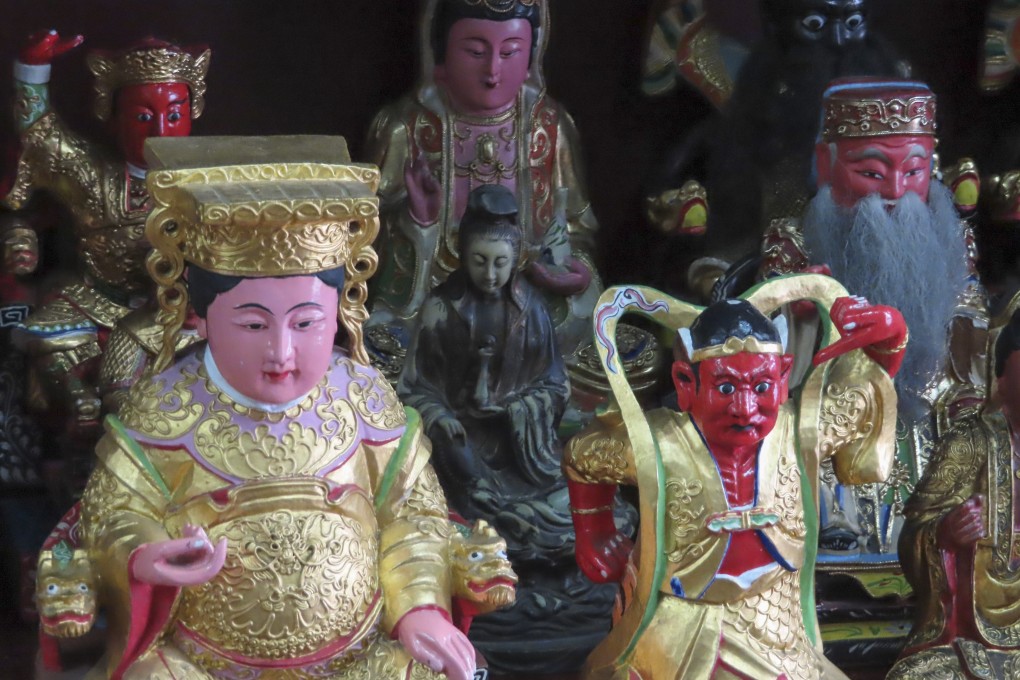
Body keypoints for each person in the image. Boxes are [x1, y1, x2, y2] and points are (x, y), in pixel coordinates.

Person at [68, 136, 475, 680]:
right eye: (253, 324)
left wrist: (420, 609)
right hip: (201, 661)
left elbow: (415, 516)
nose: (281, 353)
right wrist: (144, 554)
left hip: (359, 656)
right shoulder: (163, 407)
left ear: (341, 310)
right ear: (201, 317)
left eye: (306, 323)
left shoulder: (364, 398)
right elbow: (109, 516)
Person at [565, 278, 906, 679]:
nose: (745, 408)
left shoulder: (802, 434)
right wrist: (595, 529)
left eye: (760, 386)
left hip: (777, 621)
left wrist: (891, 338)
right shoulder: (658, 445)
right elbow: (582, 455)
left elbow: (863, 396)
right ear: (685, 384)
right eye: (726, 387)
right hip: (683, 625)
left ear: (782, 379)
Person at [365, 0, 600, 373]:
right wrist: (417, 222)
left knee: (610, 355)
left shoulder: (550, 126)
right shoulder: (404, 129)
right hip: (433, 305)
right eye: (475, 51)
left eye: (510, 52)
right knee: (382, 356)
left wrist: (575, 271)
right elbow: (362, 242)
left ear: (531, 58)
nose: (492, 71)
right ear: (440, 55)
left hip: (530, 310)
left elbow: (576, 226)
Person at [4, 31, 210, 450]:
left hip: (171, 312)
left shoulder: (210, 183)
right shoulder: (91, 173)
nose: (159, 130)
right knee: (45, 332)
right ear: (112, 116)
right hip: (97, 300)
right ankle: (78, 403)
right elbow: (40, 133)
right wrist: (32, 68)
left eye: (174, 115)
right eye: (141, 116)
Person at [887, 302, 1020, 678]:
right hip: (973, 633)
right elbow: (915, 533)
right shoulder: (970, 441)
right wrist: (945, 534)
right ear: (1001, 376)